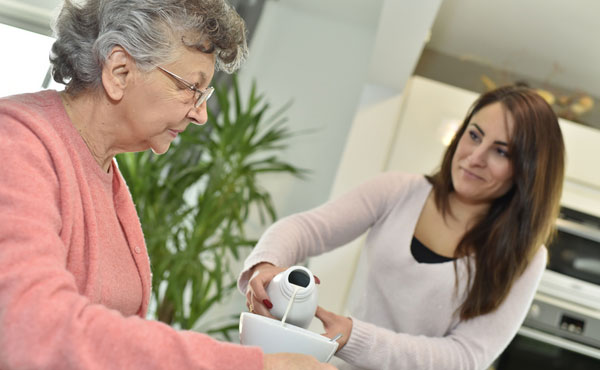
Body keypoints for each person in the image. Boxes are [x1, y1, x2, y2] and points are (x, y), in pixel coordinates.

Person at [0, 1, 336, 369]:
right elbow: (31, 327)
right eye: (191, 88)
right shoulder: (15, 146)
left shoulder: (103, 169)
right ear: (120, 71)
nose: (201, 113)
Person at [238, 85, 566, 369]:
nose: (475, 156)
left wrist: (356, 336)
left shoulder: (526, 257)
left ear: (527, 170)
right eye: (474, 135)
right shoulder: (399, 192)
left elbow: (465, 357)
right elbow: (307, 228)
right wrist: (265, 266)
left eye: (501, 151)